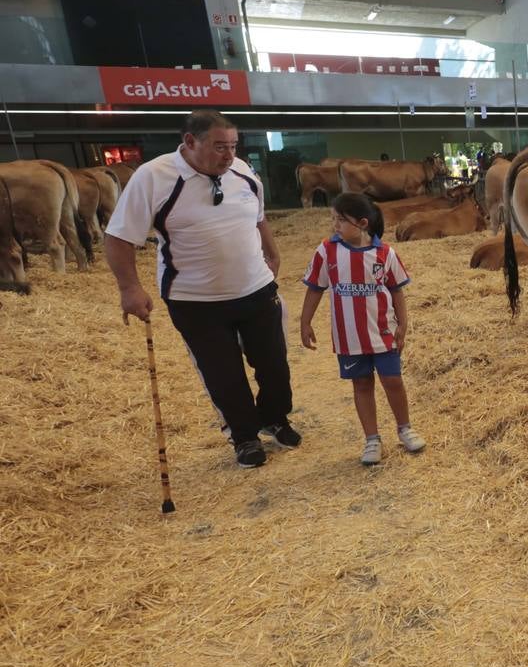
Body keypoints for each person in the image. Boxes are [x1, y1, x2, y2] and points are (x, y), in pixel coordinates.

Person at [105, 109, 298, 469]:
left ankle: (275, 418)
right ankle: (244, 437)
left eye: (233, 146)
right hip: (196, 301)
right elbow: (118, 237)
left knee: (274, 365)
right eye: (219, 147)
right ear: (190, 142)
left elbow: (258, 217)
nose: (229, 155)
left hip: (256, 289)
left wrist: (272, 254)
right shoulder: (154, 177)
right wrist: (129, 288)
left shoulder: (241, 171)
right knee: (223, 374)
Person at [299, 193, 426, 465]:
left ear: (362, 223)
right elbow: (315, 288)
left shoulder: (385, 253)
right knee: (362, 383)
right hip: (349, 338)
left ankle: (405, 428)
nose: (335, 226)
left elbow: (397, 291)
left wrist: (403, 323)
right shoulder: (326, 252)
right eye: (333, 219)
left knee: (393, 381)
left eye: (341, 220)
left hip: (383, 332)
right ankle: (372, 440)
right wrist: (304, 321)